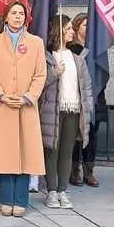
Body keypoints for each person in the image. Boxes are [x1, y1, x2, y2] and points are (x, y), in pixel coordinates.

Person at [0, 2, 46, 217]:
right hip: (2, 106)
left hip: (26, 107)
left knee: (25, 153)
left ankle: (21, 200)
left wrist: (28, 97)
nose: (18, 17)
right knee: (5, 154)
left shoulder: (36, 43)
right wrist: (0, 94)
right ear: (6, 17)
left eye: (21, 13)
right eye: (13, 13)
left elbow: (40, 75)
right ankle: (6, 199)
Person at [40, 16, 93, 210]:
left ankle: (63, 190)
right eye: (68, 28)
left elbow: (86, 87)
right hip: (52, 110)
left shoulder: (77, 57)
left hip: (73, 109)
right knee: (51, 150)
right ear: (59, 30)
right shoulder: (46, 56)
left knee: (67, 151)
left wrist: (87, 109)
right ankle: (51, 191)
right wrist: (55, 72)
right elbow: (39, 83)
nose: (72, 31)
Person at [68, 13, 103, 187]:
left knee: (93, 135)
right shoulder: (72, 49)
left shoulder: (97, 47)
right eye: (84, 25)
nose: (87, 28)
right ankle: (75, 170)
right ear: (76, 28)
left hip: (96, 97)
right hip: (78, 96)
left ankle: (89, 170)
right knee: (76, 135)